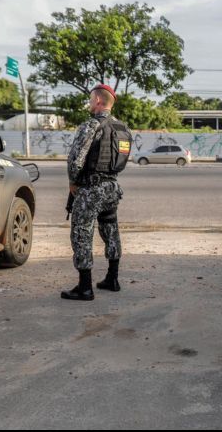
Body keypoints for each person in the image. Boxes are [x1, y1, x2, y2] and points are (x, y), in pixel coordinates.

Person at [61, 84, 132, 301]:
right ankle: (112, 278)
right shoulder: (123, 129)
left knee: (82, 233)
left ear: (99, 101)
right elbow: (122, 159)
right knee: (111, 230)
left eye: (91, 99)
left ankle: (84, 287)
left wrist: (73, 182)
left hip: (91, 189)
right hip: (112, 187)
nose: (90, 103)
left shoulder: (90, 126)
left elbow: (76, 159)